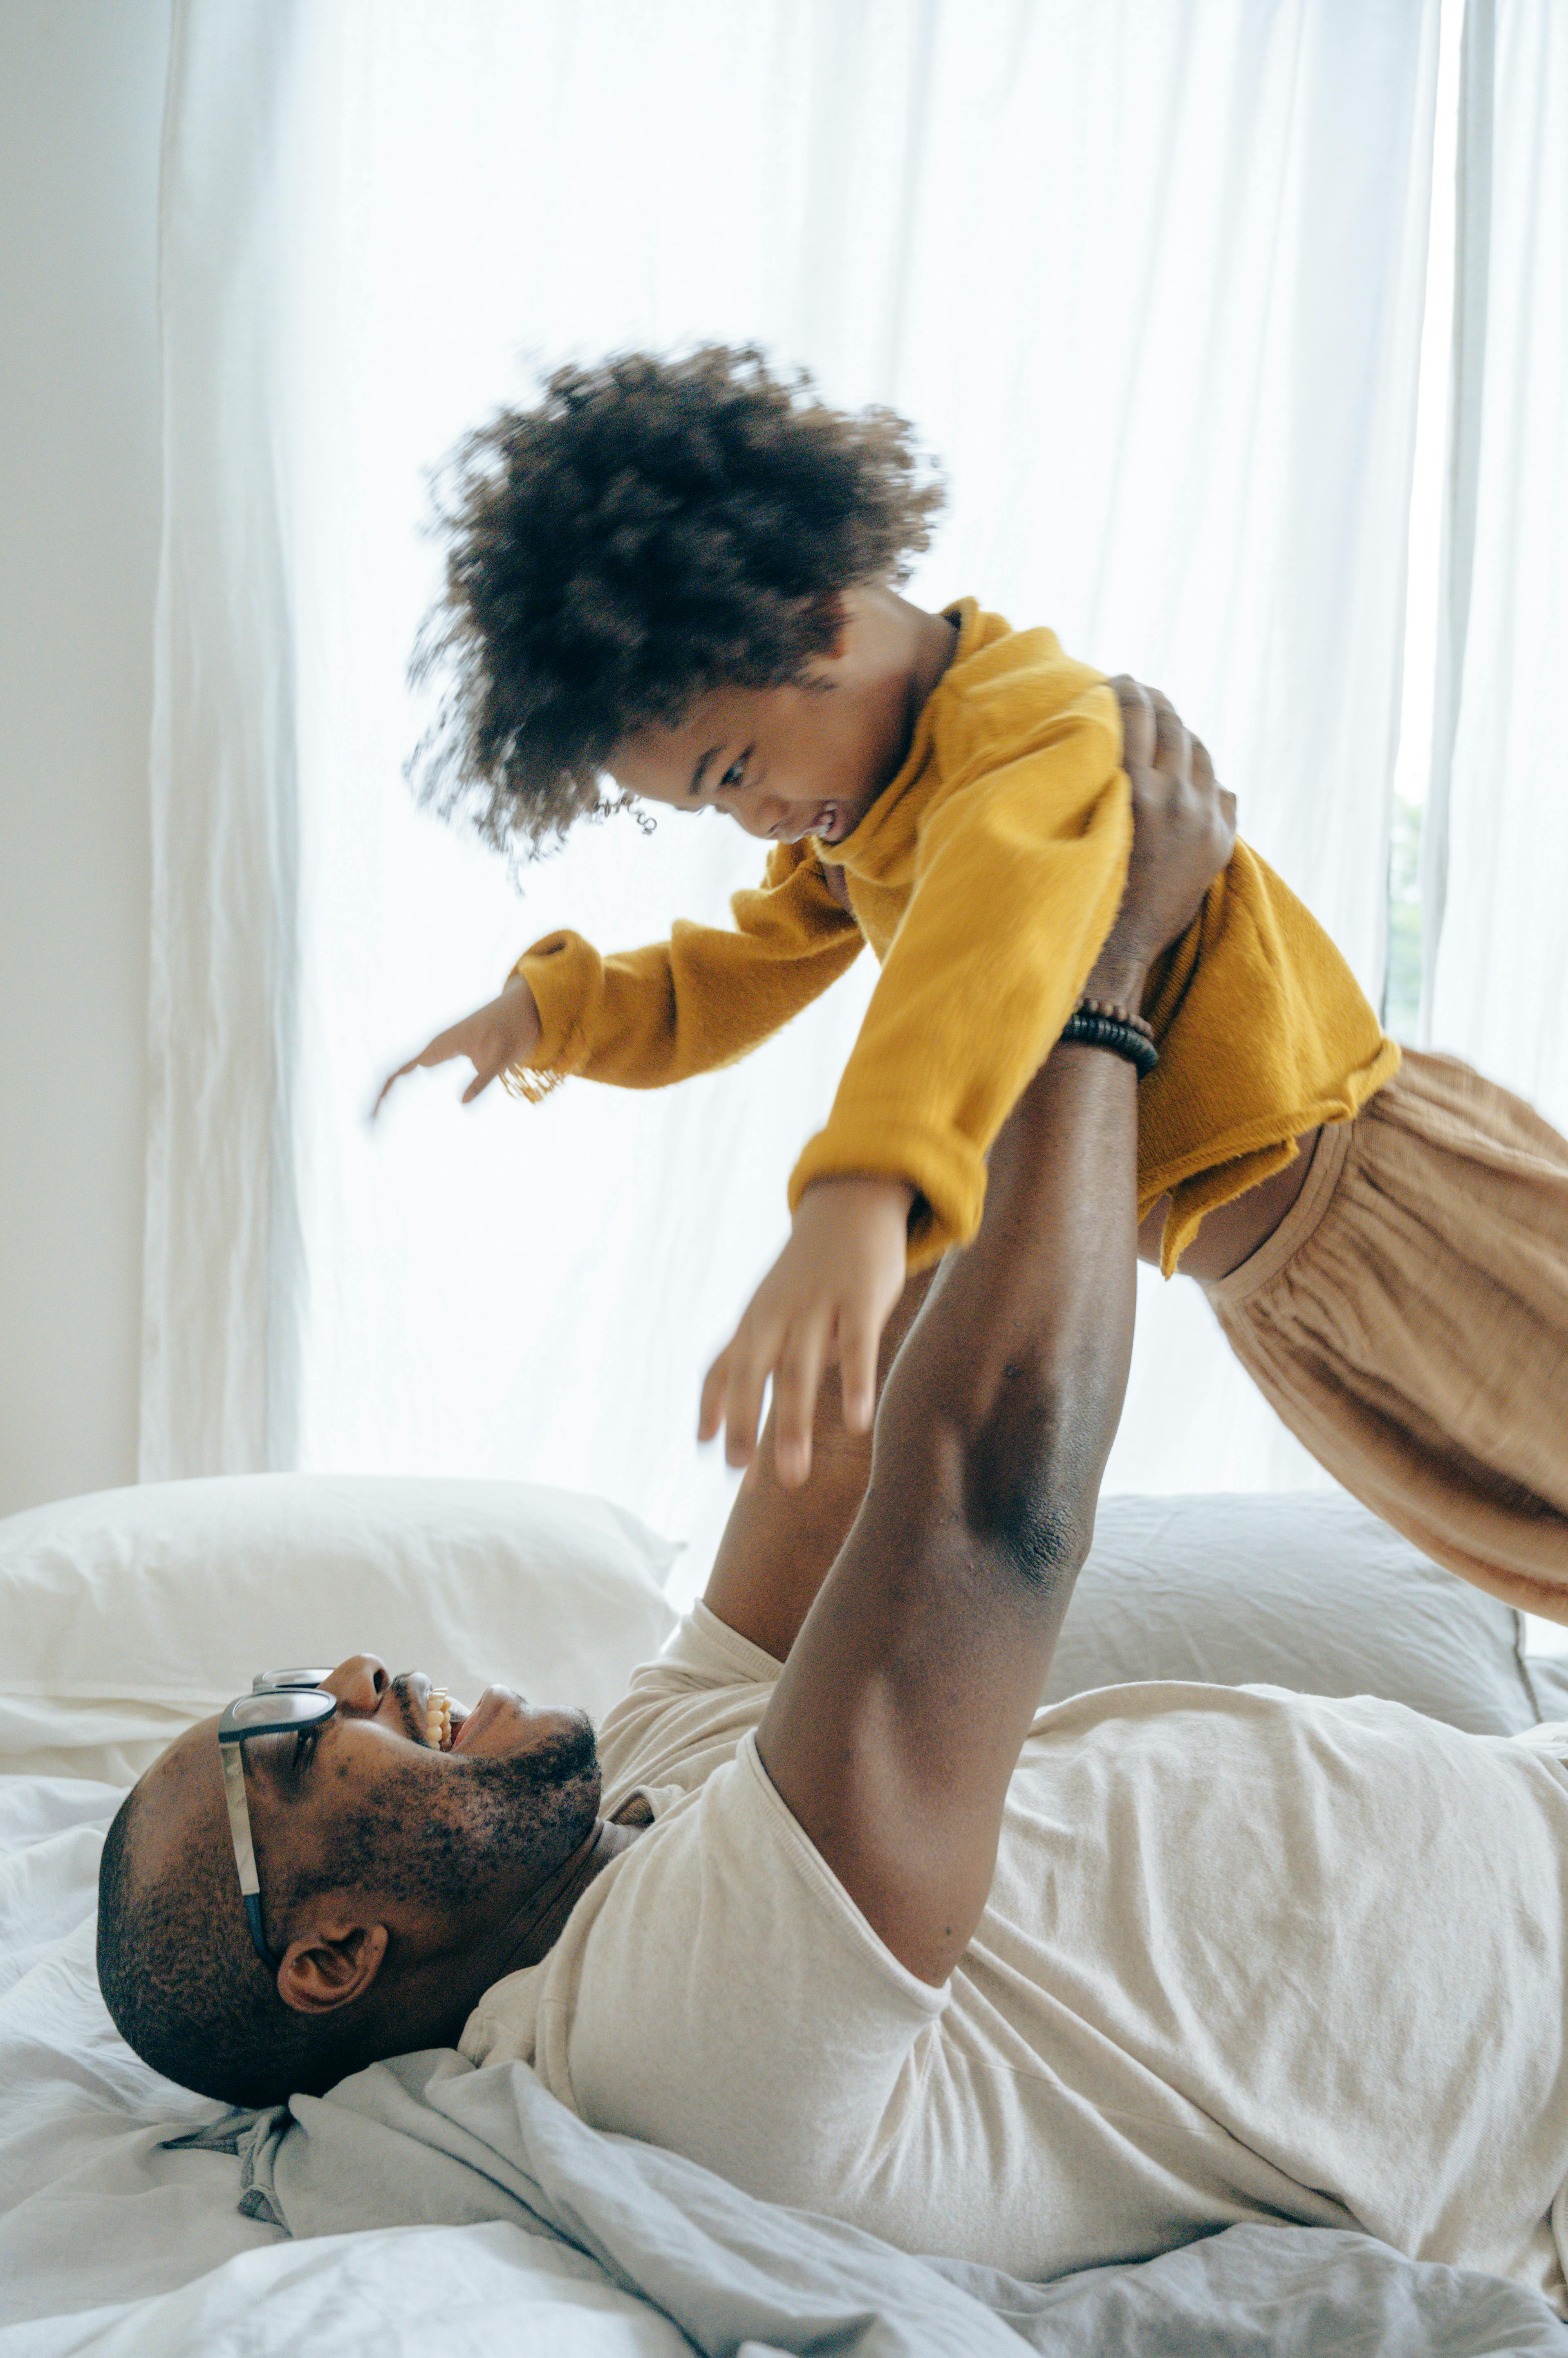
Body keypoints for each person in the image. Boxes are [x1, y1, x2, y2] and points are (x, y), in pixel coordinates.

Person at [100, 723, 1568, 2312]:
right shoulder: (672, 2035)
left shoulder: (626, 1808)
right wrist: (1099, 987)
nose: (362, 1673)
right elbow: (986, 1506)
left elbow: (853, 1421)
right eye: (301, 1737)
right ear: (329, 1959)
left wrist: (961, 930)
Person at [378, 346, 1568, 1619]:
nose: (751, 818)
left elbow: (976, 955)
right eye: (706, 803)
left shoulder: (1028, 734)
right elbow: (731, 973)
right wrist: (553, 1012)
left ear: (809, 618)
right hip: (1272, 1290)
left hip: (1382, 1205)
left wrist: (858, 1194)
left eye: (734, 771)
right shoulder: (859, 815)